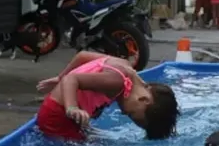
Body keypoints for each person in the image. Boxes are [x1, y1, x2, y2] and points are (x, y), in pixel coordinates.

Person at [35, 51, 180, 141]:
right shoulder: (117, 82)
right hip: (57, 116)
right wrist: (72, 107)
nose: (123, 112)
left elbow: (82, 56)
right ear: (144, 100)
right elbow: (72, 80)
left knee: (93, 138)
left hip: (61, 113)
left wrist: (60, 77)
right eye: (131, 114)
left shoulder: (124, 66)